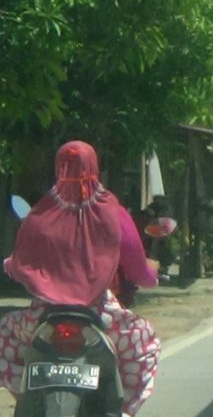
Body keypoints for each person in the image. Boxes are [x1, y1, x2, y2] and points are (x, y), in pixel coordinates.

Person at [1, 140, 160, 416]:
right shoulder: (114, 212)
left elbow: (20, 264)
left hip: (41, 317)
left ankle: (28, 395)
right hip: (101, 315)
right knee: (146, 346)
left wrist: (11, 266)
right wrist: (151, 277)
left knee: (5, 341)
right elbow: (138, 271)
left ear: (57, 168)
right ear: (95, 168)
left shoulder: (41, 212)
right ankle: (123, 411)